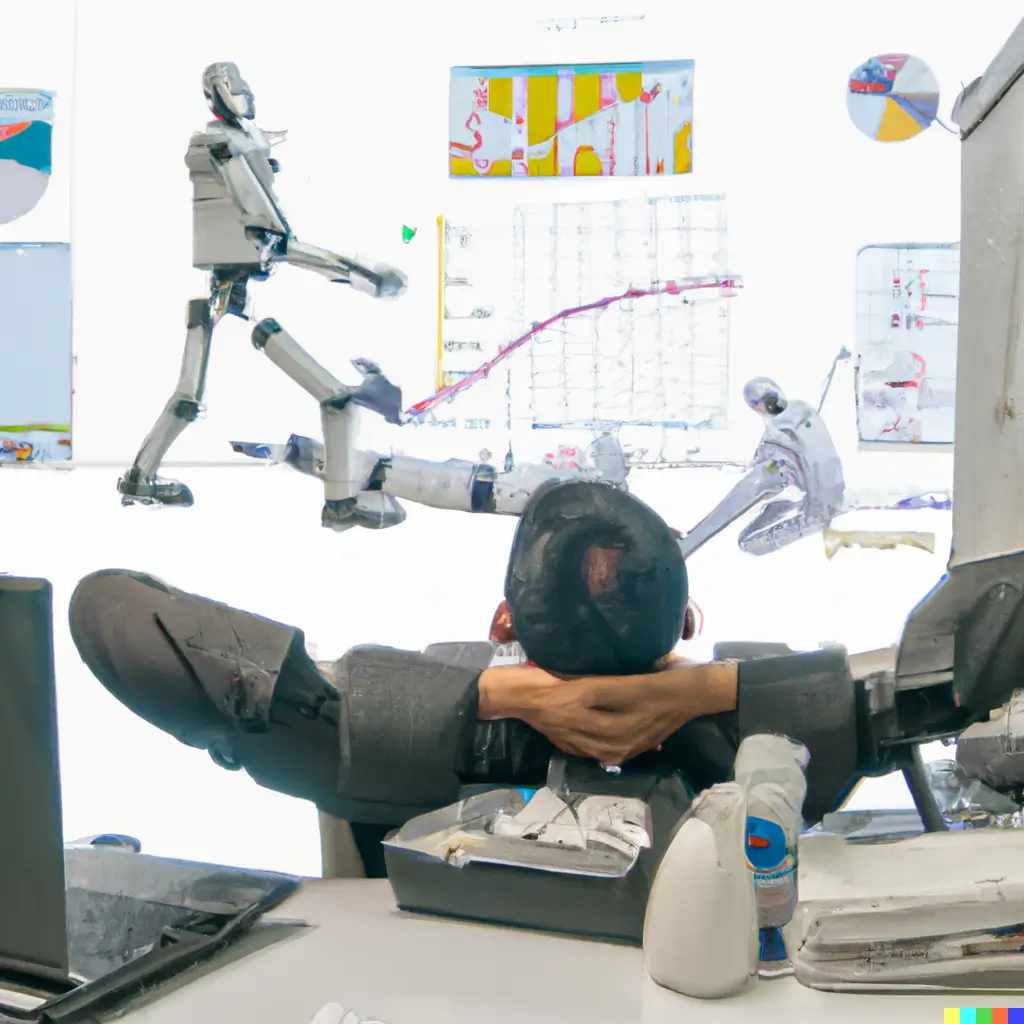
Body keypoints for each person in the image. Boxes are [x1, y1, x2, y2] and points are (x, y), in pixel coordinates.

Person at [68, 480, 855, 876]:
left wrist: (489, 693)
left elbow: (113, 613)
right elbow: (925, 688)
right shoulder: (762, 734)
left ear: (501, 624)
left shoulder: (421, 727)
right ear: (689, 623)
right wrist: (700, 691)